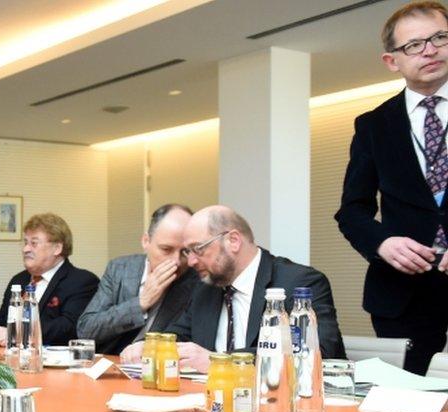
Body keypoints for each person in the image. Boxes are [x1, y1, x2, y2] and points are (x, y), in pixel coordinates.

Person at [335, 1, 448, 375]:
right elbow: (352, 210)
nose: (429, 50)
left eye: (439, 38)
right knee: (406, 411)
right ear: (391, 60)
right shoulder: (372, 126)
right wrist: (382, 243)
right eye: (414, 45)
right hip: (402, 297)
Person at [122, 206, 345, 371]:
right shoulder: (205, 288)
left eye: (197, 249)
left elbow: (316, 353)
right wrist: (150, 346)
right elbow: (178, 336)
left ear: (233, 241)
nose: (190, 262)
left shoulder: (299, 283)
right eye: (187, 253)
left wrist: (219, 361)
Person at [77, 204, 200, 354]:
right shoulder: (120, 269)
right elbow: (86, 330)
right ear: (146, 241)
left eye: (185, 251)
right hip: (111, 364)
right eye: (166, 249)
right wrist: (140, 304)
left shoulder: (198, 281)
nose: (176, 261)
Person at [0, 213, 99, 347]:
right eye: (25, 243)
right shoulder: (19, 280)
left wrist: (17, 333)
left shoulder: (82, 281)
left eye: (34, 243)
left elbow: (69, 327)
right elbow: (1, 319)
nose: (25, 249)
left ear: (57, 248)